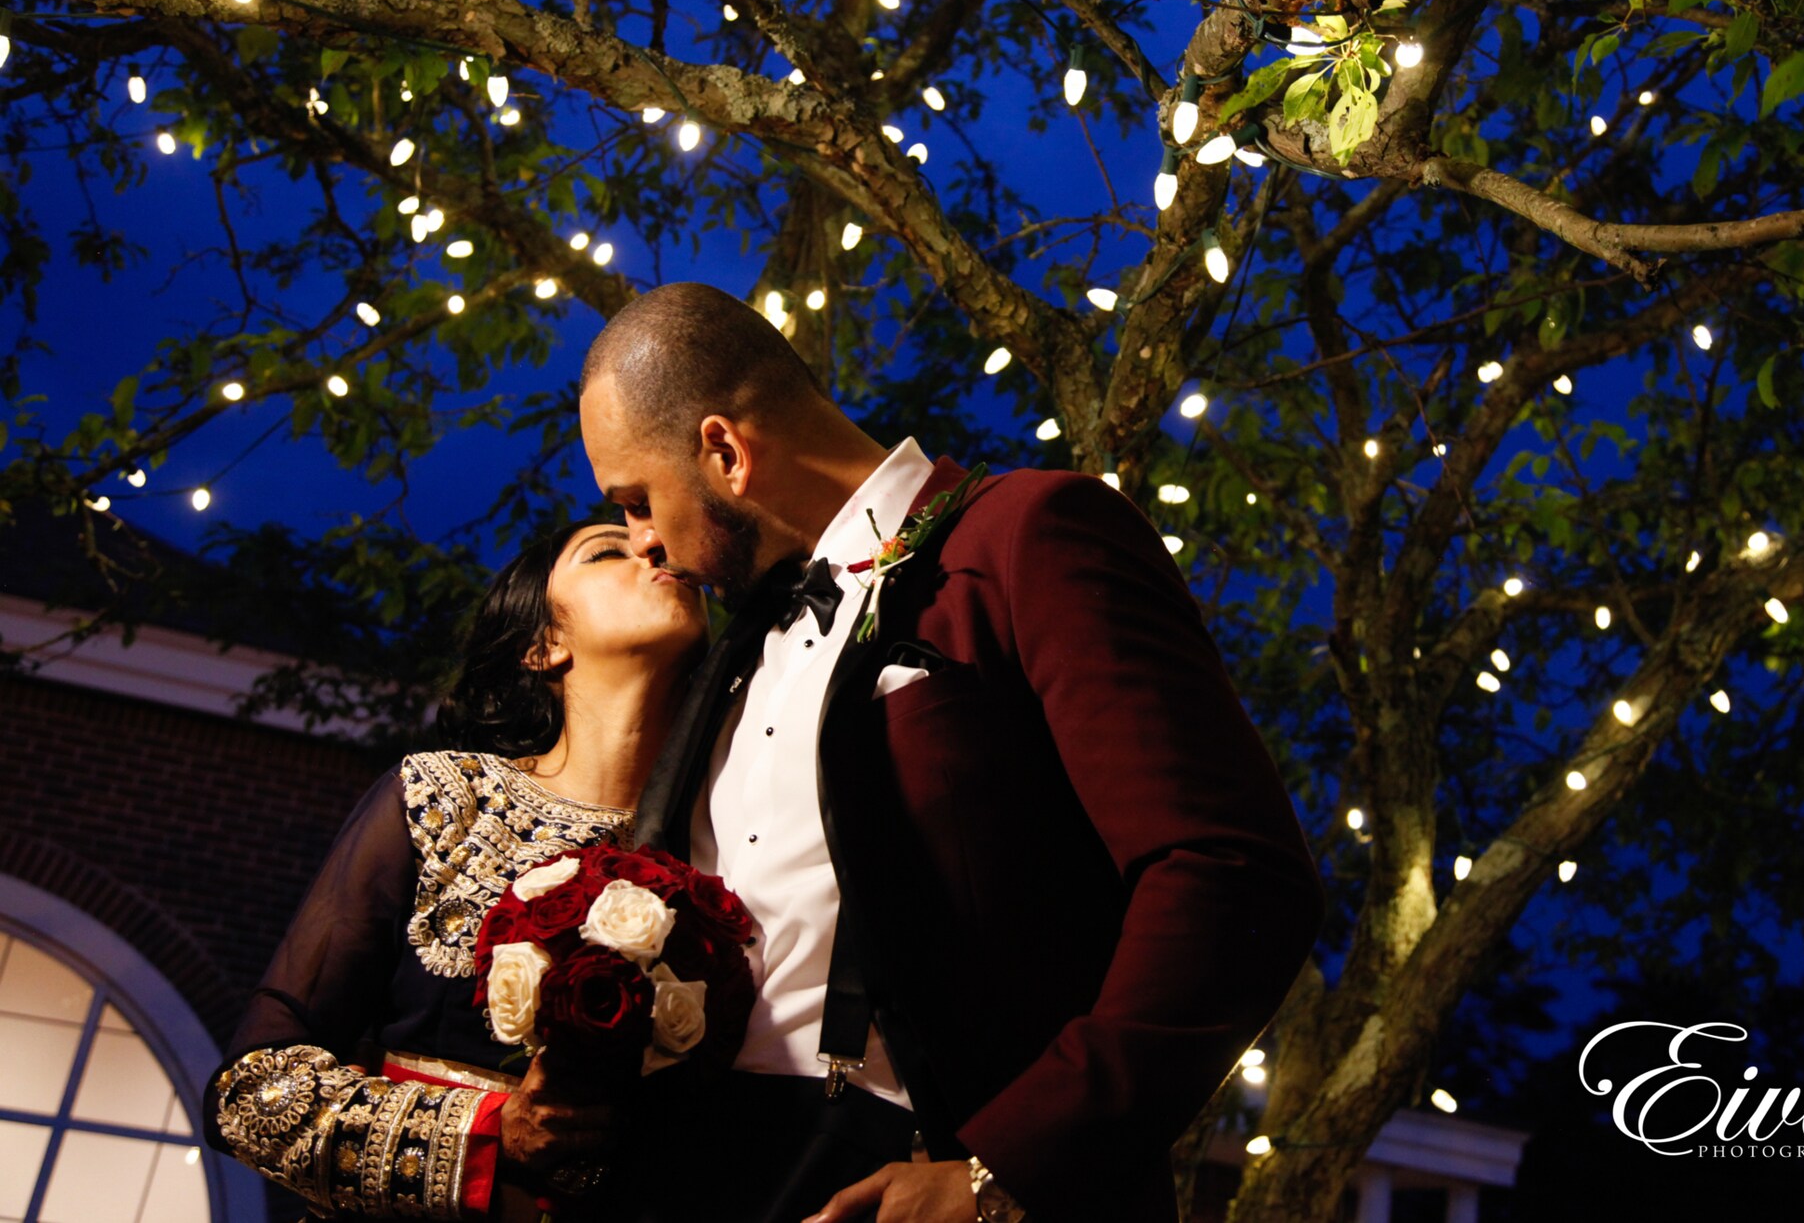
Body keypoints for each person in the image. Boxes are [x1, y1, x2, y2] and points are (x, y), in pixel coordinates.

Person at [579, 282, 1326, 1223]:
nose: (640, 540)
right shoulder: (735, 647)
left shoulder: (1029, 533)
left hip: (921, 1169)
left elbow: (1232, 874)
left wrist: (998, 1174)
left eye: (636, 499)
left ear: (726, 451)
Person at [203, 519, 706, 1219]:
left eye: (660, 541)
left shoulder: (731, 845)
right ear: (544, 644)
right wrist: (487, 1136)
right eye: (606, 551)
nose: (656, 544)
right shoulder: (443, 799)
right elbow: (253, 1097)